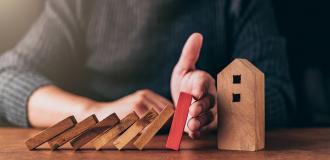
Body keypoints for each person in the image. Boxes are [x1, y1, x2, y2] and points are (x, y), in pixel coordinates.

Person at [0, 0, 295, 138]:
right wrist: (98, 112)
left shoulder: (239, 5)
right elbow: (7, 79)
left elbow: (278, 92)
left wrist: (219, 106)